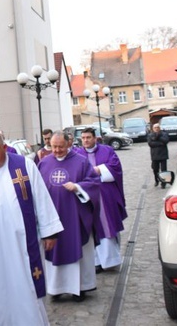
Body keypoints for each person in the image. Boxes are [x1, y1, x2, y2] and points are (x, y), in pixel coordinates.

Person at [0, 130, 64, 325]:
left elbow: (41, 198)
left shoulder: (24, 166)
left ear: (4, 147)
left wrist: (50, 232)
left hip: (23, 242)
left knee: (27, 284)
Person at [38, 130, 99, 302]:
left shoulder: (81, 162)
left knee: (76, 247)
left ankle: (78, 288)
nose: (56, 150)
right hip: (51, 217)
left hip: (74, 216)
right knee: (53, 250)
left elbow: (94, 183)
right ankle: (55, 288)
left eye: (60, 147)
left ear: (69, 144)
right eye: (53, 147)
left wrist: (78, 187)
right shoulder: (44, 163)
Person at [79, 127, 127, 272]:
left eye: (88, 137)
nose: (85, 140)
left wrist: (98, 169)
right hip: (86, 198)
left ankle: (109, 260)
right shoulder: (77, 154)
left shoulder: (107, 151)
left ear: (95, 138)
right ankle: (95, 262)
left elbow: (115, 168)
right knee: (89, 229)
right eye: (83, 138)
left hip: (104, 196)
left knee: (106, 226)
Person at [147, 122, 169, 189]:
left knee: (164, 170)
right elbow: (151, 144)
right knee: (155, 169)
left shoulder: (164, 134)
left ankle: (164, 183)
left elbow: (166, 141)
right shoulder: (150, 135)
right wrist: (160, 144)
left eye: (158, 127)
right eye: (155, 127)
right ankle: (156, 180)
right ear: (153, 129)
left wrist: (158, 137)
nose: (156, 129)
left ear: (160, 128)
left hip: (163, 155)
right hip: (154, 155)